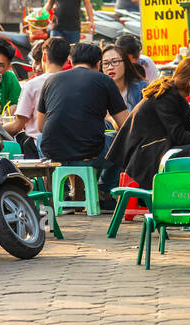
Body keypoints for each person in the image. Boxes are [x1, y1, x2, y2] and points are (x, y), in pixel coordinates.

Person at [112, 57, 190, 190]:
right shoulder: (165, 96)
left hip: (159, 148)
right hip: (145, 156)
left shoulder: (177, 95)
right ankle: (185, 192)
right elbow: (181, 137)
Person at [36, 41, 130, 202]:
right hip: (90, 152)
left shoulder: (51, 81)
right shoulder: (105, 81)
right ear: (99, 63)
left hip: (52, 153)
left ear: (71, 61)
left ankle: (62, 193)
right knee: (124, 140)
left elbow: (40, 126)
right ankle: (104, 190)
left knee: (40, 139)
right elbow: (127, 125)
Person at [8, 36, 68, 156]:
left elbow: (17, 126)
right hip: (68, 145)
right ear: (67, 61)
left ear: (44, 56)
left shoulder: (33, 84)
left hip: (38, 148)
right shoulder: (72, 83)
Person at [101, 43, 147, 113]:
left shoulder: (143, 89)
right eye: (106, 63)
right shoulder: (98, 93)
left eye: (115, 61)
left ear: (125, 63)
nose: (110, 67)